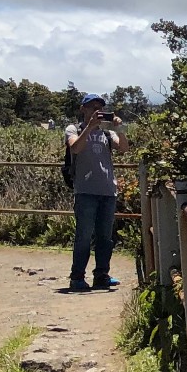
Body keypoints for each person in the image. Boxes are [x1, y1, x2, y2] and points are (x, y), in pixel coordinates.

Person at [64, 93, 124, 292]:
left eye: (100, 108)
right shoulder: (74, 129)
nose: (96, 111)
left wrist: (119, 128)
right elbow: (75, 148)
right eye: (92, 107)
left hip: (108, 191)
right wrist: (89, 127)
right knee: (83, 235)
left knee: (105, 237)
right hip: (86, 191)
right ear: (83, 109)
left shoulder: (107, 134)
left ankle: (102, 275)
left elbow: (123, 148)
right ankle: (77, 277)